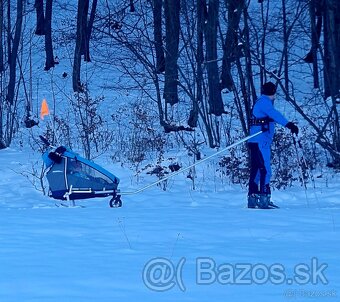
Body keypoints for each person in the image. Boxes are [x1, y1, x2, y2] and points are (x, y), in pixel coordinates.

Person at [247, 82, 298, 209]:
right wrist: (289, 125)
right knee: (265, 170)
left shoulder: (260, 101)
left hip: (255, 141)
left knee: (257, 169)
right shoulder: (265, 103)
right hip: (260, 141)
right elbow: (275, 114)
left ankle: (252, 198)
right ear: (273, 92)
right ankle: (264, 198)